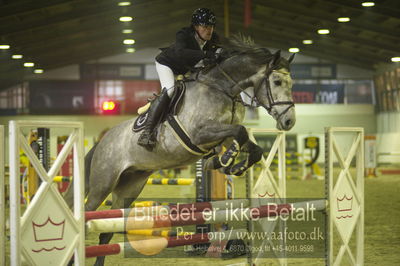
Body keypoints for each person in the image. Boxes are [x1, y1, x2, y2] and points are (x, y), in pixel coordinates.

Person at [138, 7, 220, 150]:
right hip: (167, 65)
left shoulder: (214, 39)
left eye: (211, 26)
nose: (209, 30)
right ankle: (147, 132)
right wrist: (206, 54)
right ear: (195, 27)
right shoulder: (183, 34)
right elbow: (182, 53)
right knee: (170, 91)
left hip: (187, 69)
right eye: (205, 26)